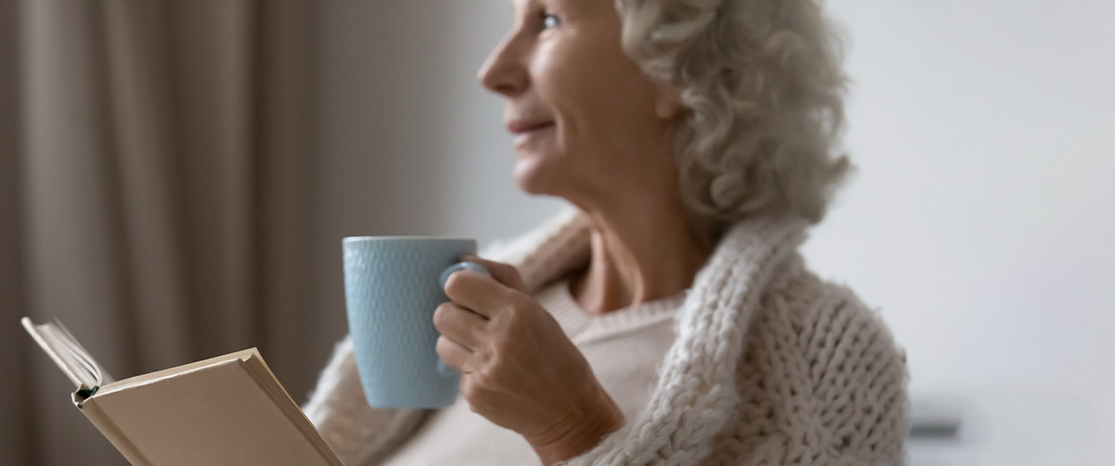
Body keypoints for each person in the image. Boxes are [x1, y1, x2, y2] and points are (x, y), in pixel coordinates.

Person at [304, 0, 908, 464]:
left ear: (679, 61)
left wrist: (572, 427)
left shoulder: (822, 359)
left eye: (548, 20)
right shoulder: (481, 311)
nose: (493, 72)